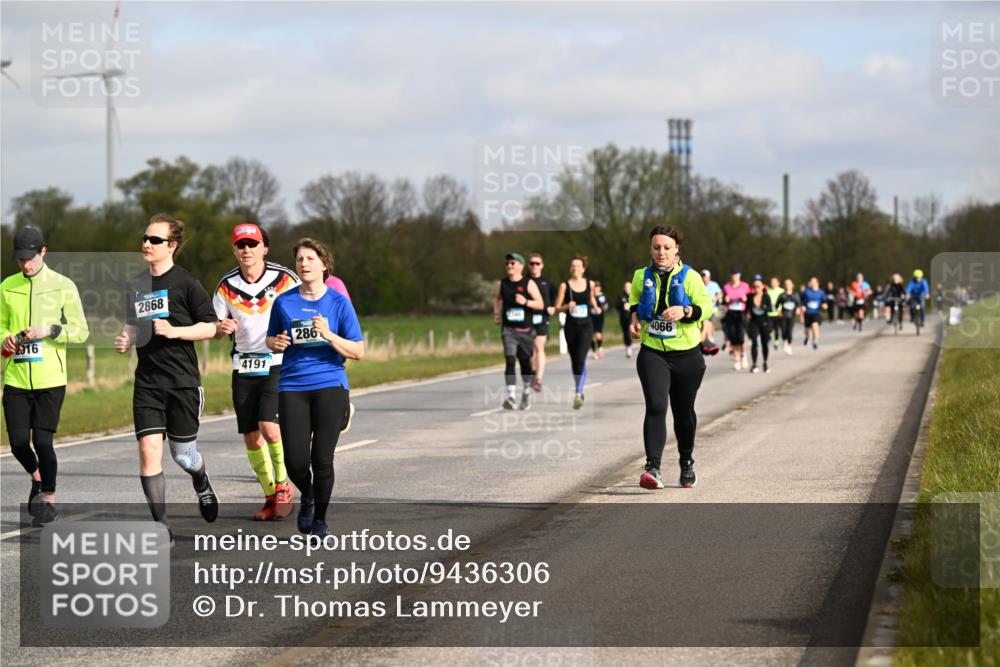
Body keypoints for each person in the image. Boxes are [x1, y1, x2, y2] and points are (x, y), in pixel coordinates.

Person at [114, 214, 220, 534]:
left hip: (182, 382)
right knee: (149, 453)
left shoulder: (187, 283)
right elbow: (132, 326)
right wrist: (126, 339)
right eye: (145, 238)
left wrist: (175, 332)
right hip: (147, 383)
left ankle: (201, 480)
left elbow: (211, 327)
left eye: (155, 240)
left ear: (171, 246)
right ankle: (161, 527)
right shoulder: (135, 285)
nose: (146, 244)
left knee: (184, 457)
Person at [266, 238, 364, 539]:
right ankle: (306, 495)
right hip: (292, 385)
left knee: (322, 459)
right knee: (295, 460)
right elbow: (270, 339)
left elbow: (358, 350)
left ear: (324, 265)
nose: (304, 264)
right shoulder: (284, 301)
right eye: (299, 260)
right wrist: (276, 343)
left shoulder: (338, 302)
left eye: (310, 258)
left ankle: (319, 519)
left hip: (329, 384)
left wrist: (329, 334)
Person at [1, 226, 89, 525]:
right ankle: (37, 479)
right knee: (16, 442)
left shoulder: (63, 285)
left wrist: (49, 331)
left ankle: (47, 499)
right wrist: (6, 339)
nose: (25, 265)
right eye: (20, 259)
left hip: (51, 379)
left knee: (43, 442)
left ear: (43, 251)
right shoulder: (7, 286)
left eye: (30, 258)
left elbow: (81, 332)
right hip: (15, 378)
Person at [214, 223, 299, 521]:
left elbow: (306, 307)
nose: (246, 250)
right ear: (234, 250)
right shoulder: (225, 286)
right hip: (243, 364)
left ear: (265, 247)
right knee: (251, 435)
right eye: (241, 245)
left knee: (269, 426)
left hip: (278, 362)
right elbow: (214, 326)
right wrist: (219, 328)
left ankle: (283, 487)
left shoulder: (286, 279)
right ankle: (268, 496)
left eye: (253, 244)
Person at [628, 225, 712, 489]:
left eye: (666, 247)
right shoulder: (641, 276)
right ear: (650, 249)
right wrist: (633, 320)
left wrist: (685, 311)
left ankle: (686, 462)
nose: (661, 252)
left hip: (687, 355)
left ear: (676, 249)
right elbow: (634, 303)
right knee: (655, 406)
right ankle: (653, 467)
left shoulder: (690, 276)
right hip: (653, 352)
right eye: (656, 247)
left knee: (683, 413)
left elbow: (706, 308)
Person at [493, 253, 544, 410]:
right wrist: (496, 313)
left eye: (512, 263)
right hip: (508, 329)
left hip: (526, 330)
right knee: (509, 360)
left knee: (524, 362)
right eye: (507, 263)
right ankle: (511, 397)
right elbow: (496, 298)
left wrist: (526, 301)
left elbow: (540, 304)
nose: (509, 265)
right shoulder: (502, 284)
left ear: (521, 266)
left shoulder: (528, 283)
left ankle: (527, 392)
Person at [554, 256, 601, 410]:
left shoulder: (590, 284)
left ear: (583, 268)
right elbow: (557, 308)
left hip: (586, 326)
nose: (575, 268)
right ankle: (578, 388)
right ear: (570, 268)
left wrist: (596, 307)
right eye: (573, 266)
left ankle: (578, 393)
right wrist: (567, 306)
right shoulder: (564, 286)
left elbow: (591, 299)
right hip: (571, 327)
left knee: (581, 357)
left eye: (578, 266)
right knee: (575, 360)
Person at [527, 253, 557, 390]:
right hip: (527, 318)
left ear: (542, 266)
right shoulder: (525, 281)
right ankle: (533, 372)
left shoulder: (548, 282)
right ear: (528, 266)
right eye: (532, 263)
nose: (534, 266)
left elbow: (557, 299)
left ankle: (538, 378)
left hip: (543, 317)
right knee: (528, 349)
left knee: (539, 346)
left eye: (537, 263)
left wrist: (553, 308)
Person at [721, 268, 751, 371]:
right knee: (733, 339)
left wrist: (745, 300)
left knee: (741, 338)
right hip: (731, 314)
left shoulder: (745, 286)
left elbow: (750, 299)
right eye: (733, 275)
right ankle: (737, 360)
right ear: (731, 276)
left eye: (736, 275)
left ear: (739, 276)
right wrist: (726, 300)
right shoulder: (726, 287)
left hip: (741, 313)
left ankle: (744, 356)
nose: (734, 277)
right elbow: (722, 301)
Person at [746, 275, 773, 373]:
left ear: (762, 287)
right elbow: (747, 309)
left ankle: (765, 363)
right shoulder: (750, 297)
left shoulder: (766, 296)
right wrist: (748, 313)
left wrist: (763, 307)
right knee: (754, 342)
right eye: (755, 286)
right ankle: (754, 364)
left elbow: (770, 309)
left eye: (758, 286)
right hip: (753, 322)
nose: (756, 288)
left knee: (765, 343)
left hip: (764, 322)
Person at [801, 277, 827, 350]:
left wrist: (825, 305)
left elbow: (824, 301)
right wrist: (803, 307)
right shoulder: (806, 292)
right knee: (807, 329)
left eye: (814, 281)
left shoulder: (821, 292)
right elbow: (802, 302)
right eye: (811, 281)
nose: (812, 283)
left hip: (816, 313)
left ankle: (815, 341)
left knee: (815, 326)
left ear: (817, 283)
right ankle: (807, 336)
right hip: (808, 313)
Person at [700, 269, 722, 356]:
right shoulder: (700, 284)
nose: (704, 278)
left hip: (712, 309)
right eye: (702, 276)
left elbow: (720, 294)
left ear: (709, 277)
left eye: (705, 276)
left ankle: (707, 341)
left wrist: (715, 298)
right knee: (705, 326)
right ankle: (707, 342)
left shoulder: (714, 284)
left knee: (709, 326)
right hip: (703, 309)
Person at [775, 279, 801, 354]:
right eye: (786, 284)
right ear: (784, 286)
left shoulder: (795, 295)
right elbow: (777, 305)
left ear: (792, 285)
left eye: (789, 284)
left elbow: (799, 304)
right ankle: (784, 341)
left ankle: (789, 344)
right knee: (783, 330)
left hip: (792, 315)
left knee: (789, 330)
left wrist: (798, 309)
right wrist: (778, 311)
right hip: (783, 315)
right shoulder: (782, 295)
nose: (787, 285)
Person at [590, 281, 608, 359]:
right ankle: (594, 351)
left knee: (598, 335)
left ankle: (600, 347)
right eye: (594, 287)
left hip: (599, 317)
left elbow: (605, 305)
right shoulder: (590, 296)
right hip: (590, 317)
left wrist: (603, 307)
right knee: (590, 335)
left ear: (599, 288)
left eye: (597, 287)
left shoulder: (602, 296)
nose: (596, 289)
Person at [616, 280, 634, 358]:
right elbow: (616, 307)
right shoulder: (621, 296)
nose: (627, 288)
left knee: (628, 332)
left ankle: (629, 347)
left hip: (631, 318)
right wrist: (622, 306)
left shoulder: (634, 296)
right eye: (626, 287)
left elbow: (638, 306)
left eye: (628, 287)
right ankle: (627, 347)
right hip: (623, 318)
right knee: (625, 333)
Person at [767, 276, 784, 351]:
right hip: (769, 313)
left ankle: (776, 342)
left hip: (778, 313)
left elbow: (783, 302)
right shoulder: (768, 291)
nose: (772, 283)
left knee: (776, 329)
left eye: (774, 282)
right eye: (771, 282)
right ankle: (769, 337)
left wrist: (780, 310)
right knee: (769, 328)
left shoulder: (782, 291)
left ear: (778, 283)